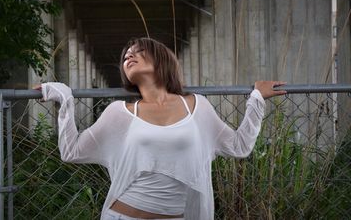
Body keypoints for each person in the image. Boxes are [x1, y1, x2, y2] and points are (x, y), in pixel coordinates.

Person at [34, 37, 286, 220]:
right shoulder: (119, 113)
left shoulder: (197, 107)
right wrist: (65, 99)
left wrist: (256, 100)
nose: (128, 56)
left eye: (138, 51)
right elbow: (71, 151)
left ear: (161, 59)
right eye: (125, 56)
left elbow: (239, 146)